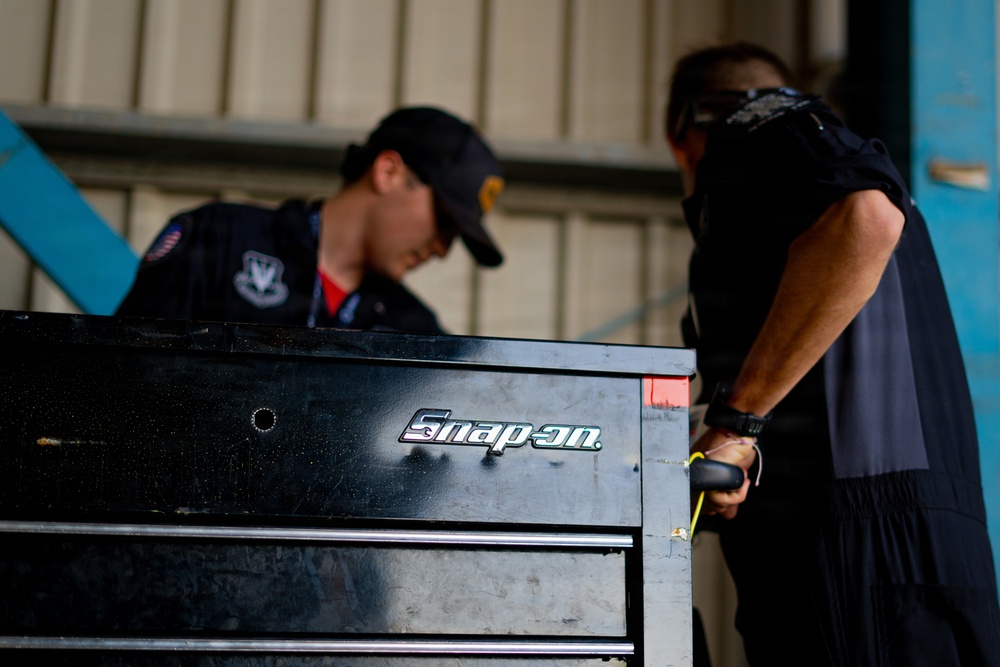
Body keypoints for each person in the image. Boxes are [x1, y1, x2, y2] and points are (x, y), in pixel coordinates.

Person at [666, 42, 1000, 665]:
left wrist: (738, 421)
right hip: (919, 552)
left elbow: (868, 219)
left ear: (682, 131)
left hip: (855, 556)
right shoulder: (807, 183)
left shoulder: (756, 123)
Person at [116, 106, 506, 334]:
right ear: (388, 172)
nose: (442, 249)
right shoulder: (218, 240)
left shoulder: (416, 330)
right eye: (443, 221)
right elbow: (122, 389)